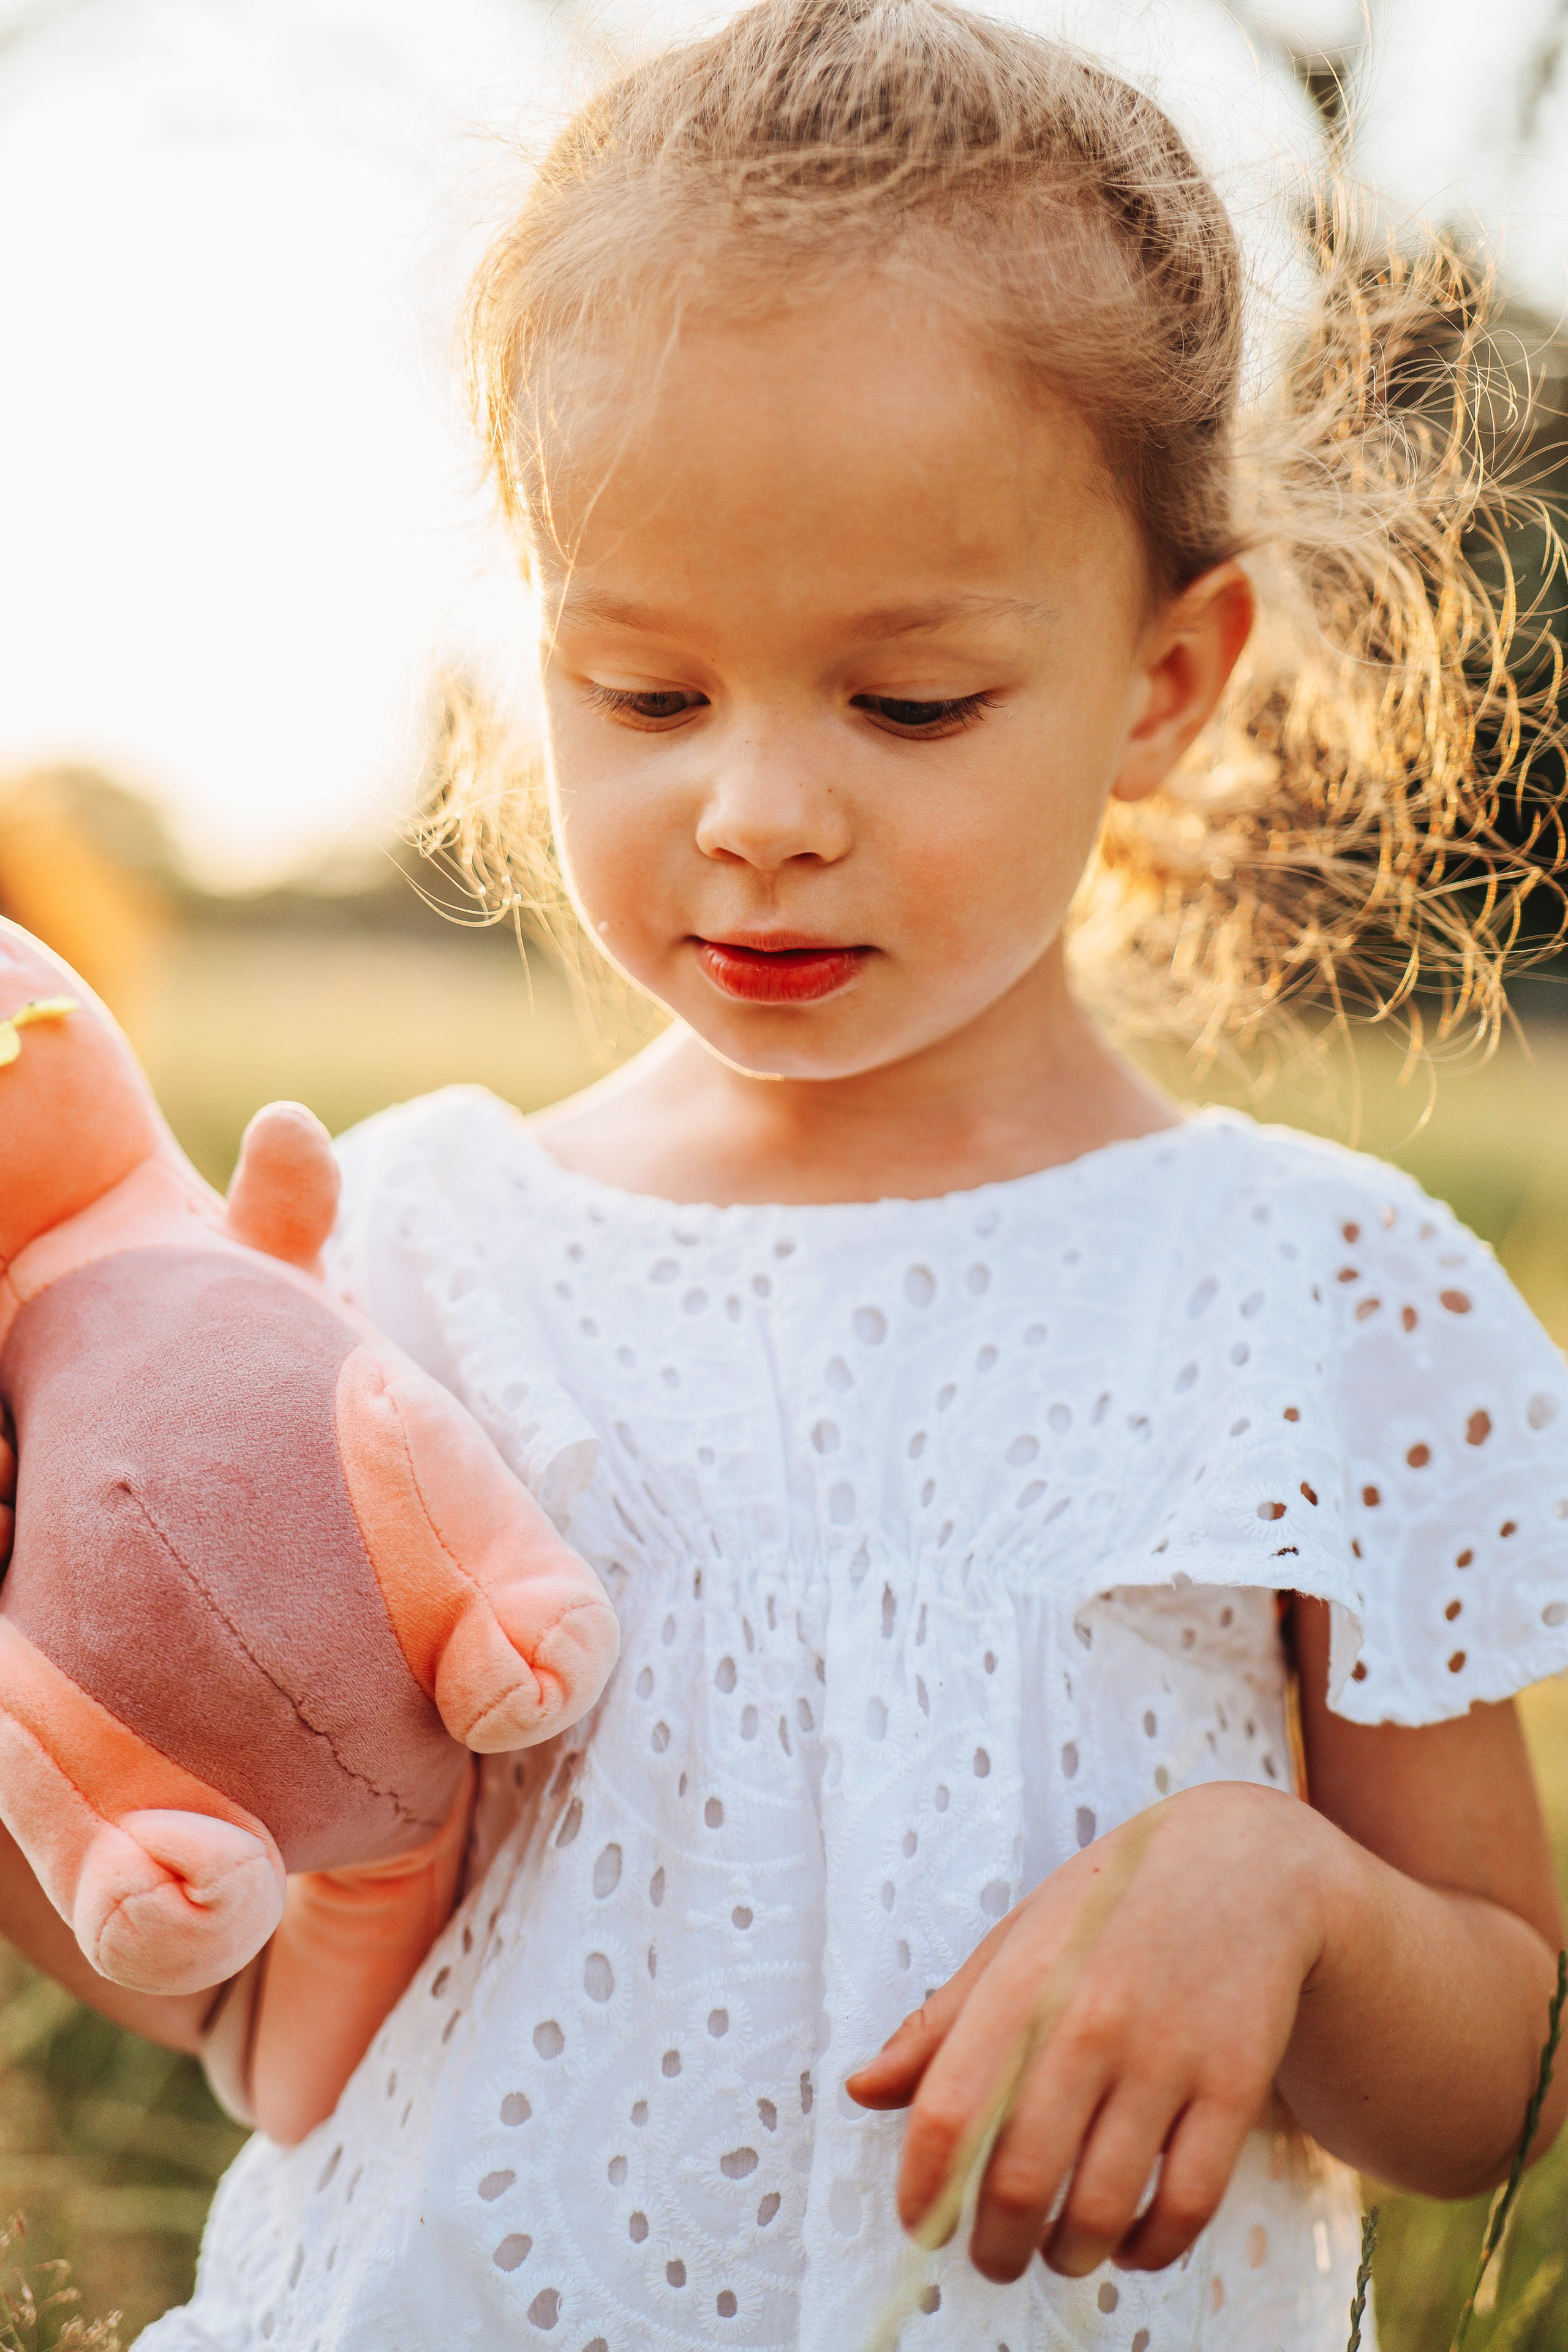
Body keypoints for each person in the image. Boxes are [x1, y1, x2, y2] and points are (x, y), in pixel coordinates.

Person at [6, 2, 1568, 2343]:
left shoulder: (1322, 1296)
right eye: (641, 693)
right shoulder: (405, 1248)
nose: (751, 808)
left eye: (908, 701)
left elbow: (1504, 2087)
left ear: (1166, 676)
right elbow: (248, 1998)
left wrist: (1290, 1895)